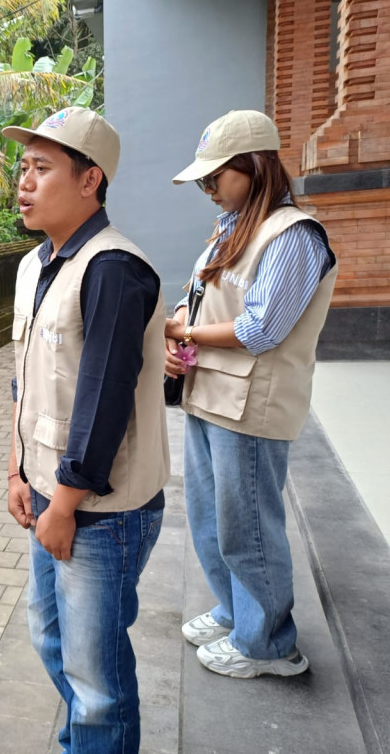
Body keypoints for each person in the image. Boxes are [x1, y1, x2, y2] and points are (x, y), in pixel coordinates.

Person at [3, 107, 170, 754]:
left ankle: (96, 740)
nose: (24, 181)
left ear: (90, 180)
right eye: (23, 167)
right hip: (49, 492)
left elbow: (103, 401)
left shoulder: (114, 270)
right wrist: (16, 471)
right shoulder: (34, 265)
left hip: (100, 508)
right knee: (50, 636)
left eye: (42, 169)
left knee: (97, 675)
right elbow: (27, 382)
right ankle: (88, 741)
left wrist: (65, 504)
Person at [167, 109, 337, 679]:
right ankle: (236, 612)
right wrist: (180, 339)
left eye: (218, 177)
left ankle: (269, 644)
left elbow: (263, 329)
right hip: (209, 394)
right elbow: (203, 300)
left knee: (250, 530)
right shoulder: (233, 224)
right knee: (211, 521)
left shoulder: (294, 236)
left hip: (251, 408)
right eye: (205, 181)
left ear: (256, 168)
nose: (209, 189)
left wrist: (186, 334)